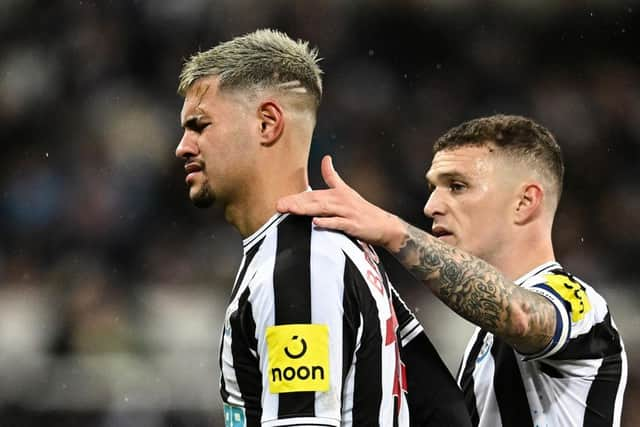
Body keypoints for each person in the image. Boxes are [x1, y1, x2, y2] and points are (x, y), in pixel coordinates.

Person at [175, 29, 470, 427]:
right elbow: (442, 409)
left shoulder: (301, 266)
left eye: (199, 125)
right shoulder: (335, 251)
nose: (183, 146)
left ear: (267, 123)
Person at [277, 114, 628, 426]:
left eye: (457, 186)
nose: (430, 206)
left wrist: (391, 230)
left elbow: (522, 315)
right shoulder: (481, 342)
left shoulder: (580, 304)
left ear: (524, 202)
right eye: (433, 188)